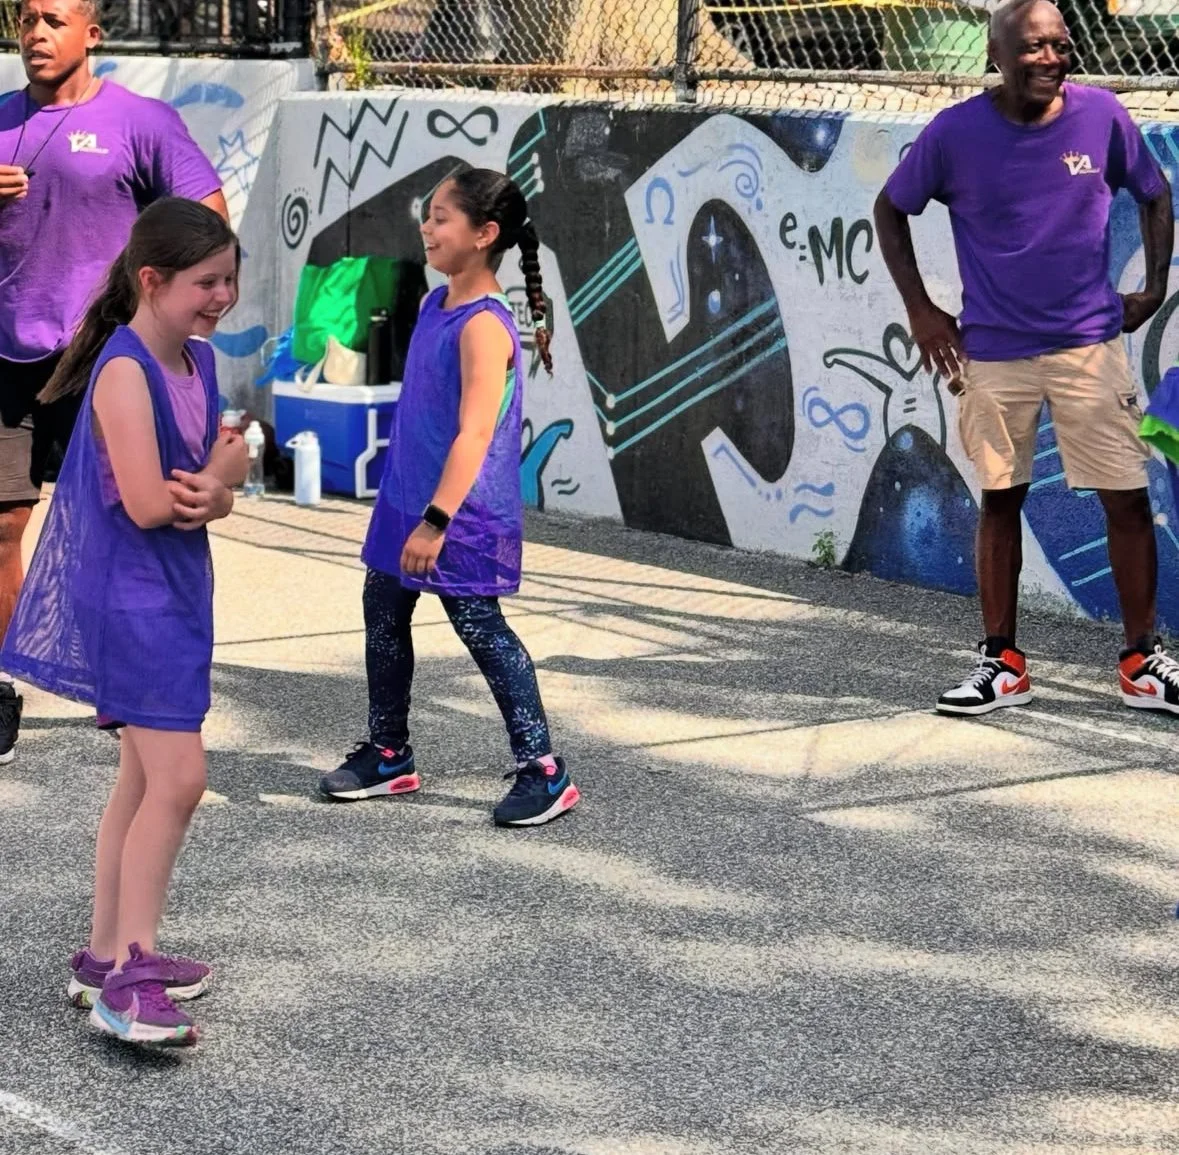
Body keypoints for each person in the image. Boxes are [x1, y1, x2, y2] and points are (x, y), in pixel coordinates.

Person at [874, 0, 1179, 718]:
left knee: (1126, 502)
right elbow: (890, 210)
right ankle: (1000, 663)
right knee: (1000, 498)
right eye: (1032, 47)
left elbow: (1155, 194)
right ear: (996, 58)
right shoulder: (953, 134)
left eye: (1059, 45)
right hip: (994, 350)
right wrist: (921, 310)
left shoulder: (1101, 116)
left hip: (1087, 346)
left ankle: (1141, 661)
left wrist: (1154, 286)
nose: (1049, 58)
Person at [0, 198, 247, 1045]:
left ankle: (106, 954)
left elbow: (206, 475)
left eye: (229, 279)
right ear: (152, 280)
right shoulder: (123, 370)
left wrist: (222, 480)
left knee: (142, 782)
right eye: (205, 282)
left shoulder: (197, 362)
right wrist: (216, 485)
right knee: (178, 780)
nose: (222, 296)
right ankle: (133, 978)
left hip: (174, 593)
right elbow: (149, 501)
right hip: (131, 601)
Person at [0, 0, 228, 762]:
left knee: (125, 529)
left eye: (53, 20)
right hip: (6, 361)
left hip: (101, 365)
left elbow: (206, 218)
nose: (36, 33)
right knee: (1, 528)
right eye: (26, 19)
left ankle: (130, 684)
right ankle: (4, 686)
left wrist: (178, 320)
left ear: (91, 33)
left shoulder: (143, 121)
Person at [319, 168, 581, 828]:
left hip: (459, 513)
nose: (426, 228)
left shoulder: (484, 326)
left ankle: (542, 769)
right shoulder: (435, 305)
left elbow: (475, 431)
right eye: (427, 215)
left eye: (441, 218)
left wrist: (436, 519)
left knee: (479, 628)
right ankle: (388, 752)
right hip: (407, 499)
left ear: (484, 233)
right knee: (382, 606)